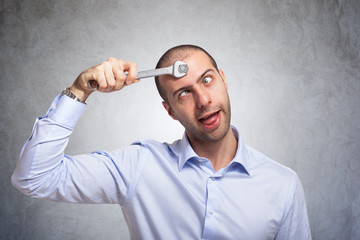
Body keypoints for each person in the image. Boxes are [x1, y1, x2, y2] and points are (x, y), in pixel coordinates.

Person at [12, 45, 312, 239]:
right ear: (169, 110)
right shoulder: (138, 166)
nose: (203, 100)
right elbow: (34, 178)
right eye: (183, 93)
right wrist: (80, 89)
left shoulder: (283, 185)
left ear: (223, 80)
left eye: (207, 80)